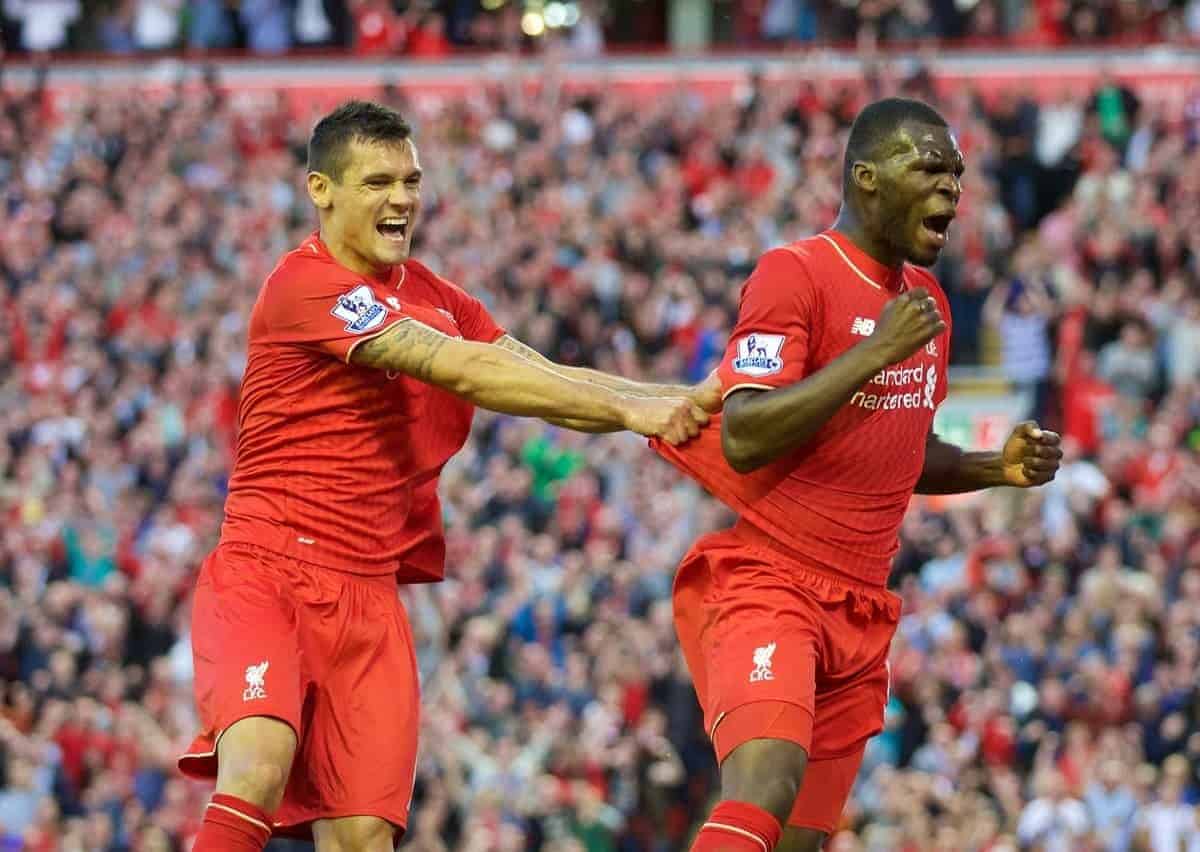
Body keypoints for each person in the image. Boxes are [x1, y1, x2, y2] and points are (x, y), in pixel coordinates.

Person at [176, 100, 717, 852]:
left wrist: (681, 400)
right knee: (258, 765)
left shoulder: (432, 291)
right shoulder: (301, 285)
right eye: (377, 182)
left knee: (364, 836)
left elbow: (536, 371)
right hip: (269, 572)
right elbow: (459, 366)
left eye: (411, 179)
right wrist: (635, 413)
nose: (402, 198)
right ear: (320, 190)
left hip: (367, 593)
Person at [653, 98, 1063, 852]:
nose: (951, 190)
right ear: (867, 179)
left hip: (861, 606)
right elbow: (745, 434)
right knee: (765, 787)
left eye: (958, 175)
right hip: (773, 581)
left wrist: (992, 467)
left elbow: (903, 451)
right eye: (930, 168)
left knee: (802, 840)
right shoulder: (796, 272)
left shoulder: (926, 302)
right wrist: (872, 353)